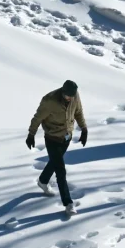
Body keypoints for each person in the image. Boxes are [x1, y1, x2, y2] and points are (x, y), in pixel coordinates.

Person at [26, 80, 88, 216]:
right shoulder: (49, 100)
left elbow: (78, 112)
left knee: (55, 162)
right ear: (62, 92)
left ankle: (43, 181)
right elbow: (37, 118)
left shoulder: (74, 95)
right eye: (68, 96)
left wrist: (84, 129)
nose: (70, 98)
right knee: (61, 170)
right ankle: (68, 203)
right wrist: (31, 134)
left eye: (72, 96)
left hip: (66, 137)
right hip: (52, 138)